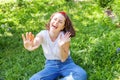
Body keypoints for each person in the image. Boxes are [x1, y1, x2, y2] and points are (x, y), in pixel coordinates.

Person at [22, 11, 87, 80]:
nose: (56, 23)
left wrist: (61, 46)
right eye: (55, 19)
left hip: (67, 63)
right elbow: (36, 42)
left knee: (81, 75)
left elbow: (63, 59)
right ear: (50, 21)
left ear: (63, 27)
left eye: (60, 22)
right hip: (51, 65)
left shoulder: (65, 37)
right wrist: (30, 46)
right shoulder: (42, 34)